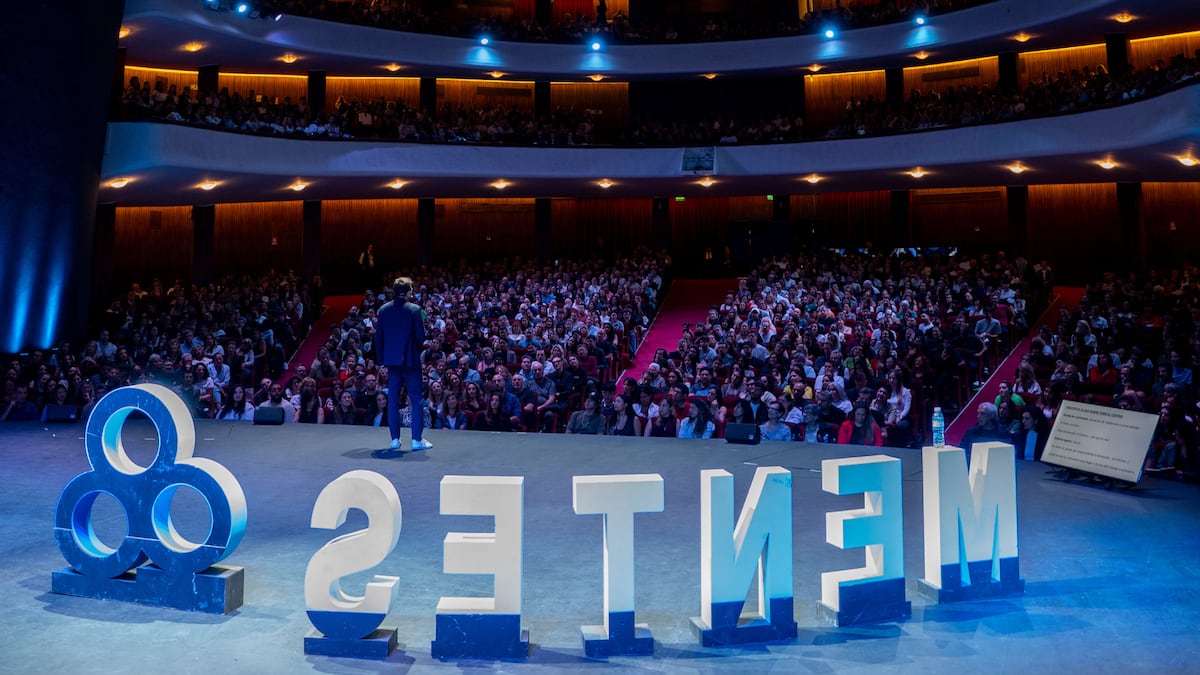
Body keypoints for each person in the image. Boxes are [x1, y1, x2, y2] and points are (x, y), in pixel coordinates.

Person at [376, 277, 431, 450]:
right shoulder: (415, 310)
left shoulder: (383, 310)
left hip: (392, 362)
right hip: (411, 360)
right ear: (408, 291)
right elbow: (421, 336)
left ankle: (394, 440)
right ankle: (416, 440)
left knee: (392, 400)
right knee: (416, 400)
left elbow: (379, 337)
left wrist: (381, 359)